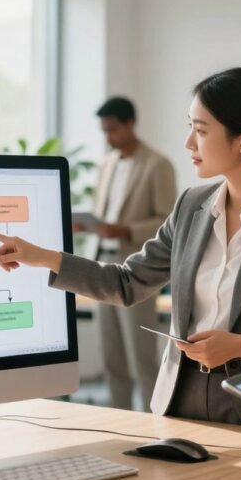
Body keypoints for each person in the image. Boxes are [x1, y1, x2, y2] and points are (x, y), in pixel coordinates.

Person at [0, 67, 241, 480]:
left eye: (200, 130)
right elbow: (125, 282)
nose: (189, 143)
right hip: (183, 414)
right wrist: (47, 258)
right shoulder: (192, 206)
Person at [87, 96, 177, 410]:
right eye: (104, 131)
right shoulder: (108, 163)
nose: (108, 137)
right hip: (102, 264)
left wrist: (125, 229)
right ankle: (119, 417)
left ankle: (155, 419)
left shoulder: (157, 165)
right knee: (111, 355)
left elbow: (167, 220)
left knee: (141, 355)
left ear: (130, 124)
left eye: (112, 129)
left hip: (136, 268)